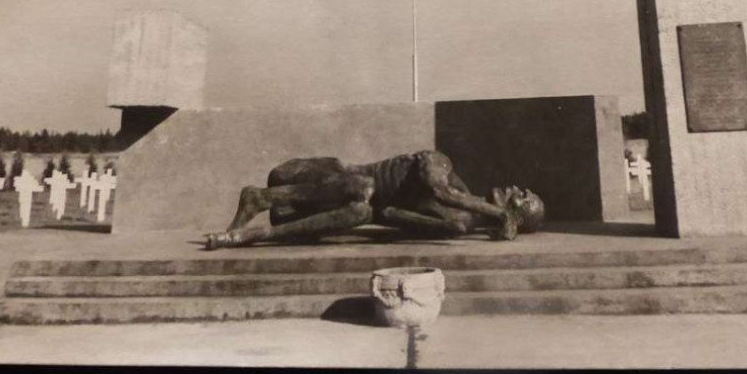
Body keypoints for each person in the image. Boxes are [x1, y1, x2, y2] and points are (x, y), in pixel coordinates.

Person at [203, 150, 544, 249]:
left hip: (314, 210)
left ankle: (258, 234)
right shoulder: (446, 169)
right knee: (361, 186)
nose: (520, 189)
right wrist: (493, 214)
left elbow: (389, 214)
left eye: (525, 199)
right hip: (312, 176)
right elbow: (439, 187)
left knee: (360, 209)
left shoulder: (456, 225)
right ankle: (259, 199)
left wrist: (459, 224)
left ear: (519, 219)